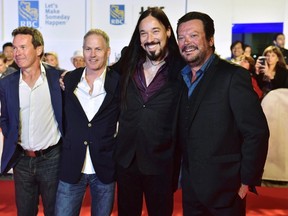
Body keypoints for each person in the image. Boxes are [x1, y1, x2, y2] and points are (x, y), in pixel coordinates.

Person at [176, 11, 269, 216]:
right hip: (191, 190)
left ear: (210, 39)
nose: (186, 42)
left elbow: (256, 132)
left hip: (226, 190)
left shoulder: (233, 76)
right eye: (181, 37)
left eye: (193, 35)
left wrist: (247, 181)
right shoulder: (180, 78)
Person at [112, 7, 185, 216]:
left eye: (155, 31)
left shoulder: (182, 68)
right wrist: (72, 76)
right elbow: (102, 76)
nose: (149, 38)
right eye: (143, 33)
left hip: (161, 161)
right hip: (127, 160)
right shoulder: (129, 62)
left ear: (168, 32)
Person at [55, 29, 120, 216]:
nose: (92, 54)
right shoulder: (68, 79)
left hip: (105, 167)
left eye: (98, 49)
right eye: (88, 49)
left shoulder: (119, 82)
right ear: (82, 51)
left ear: (108, 51)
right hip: (71, 164)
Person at [0, 26, 63, 216]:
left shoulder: (57, 78)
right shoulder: (7, 83)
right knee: (25, 212)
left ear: (38, 49)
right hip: (22, 160)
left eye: (22, 47)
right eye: (15, 48)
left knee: (55, 211)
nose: (16, 53)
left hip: (52, 159)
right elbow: (4, 118)